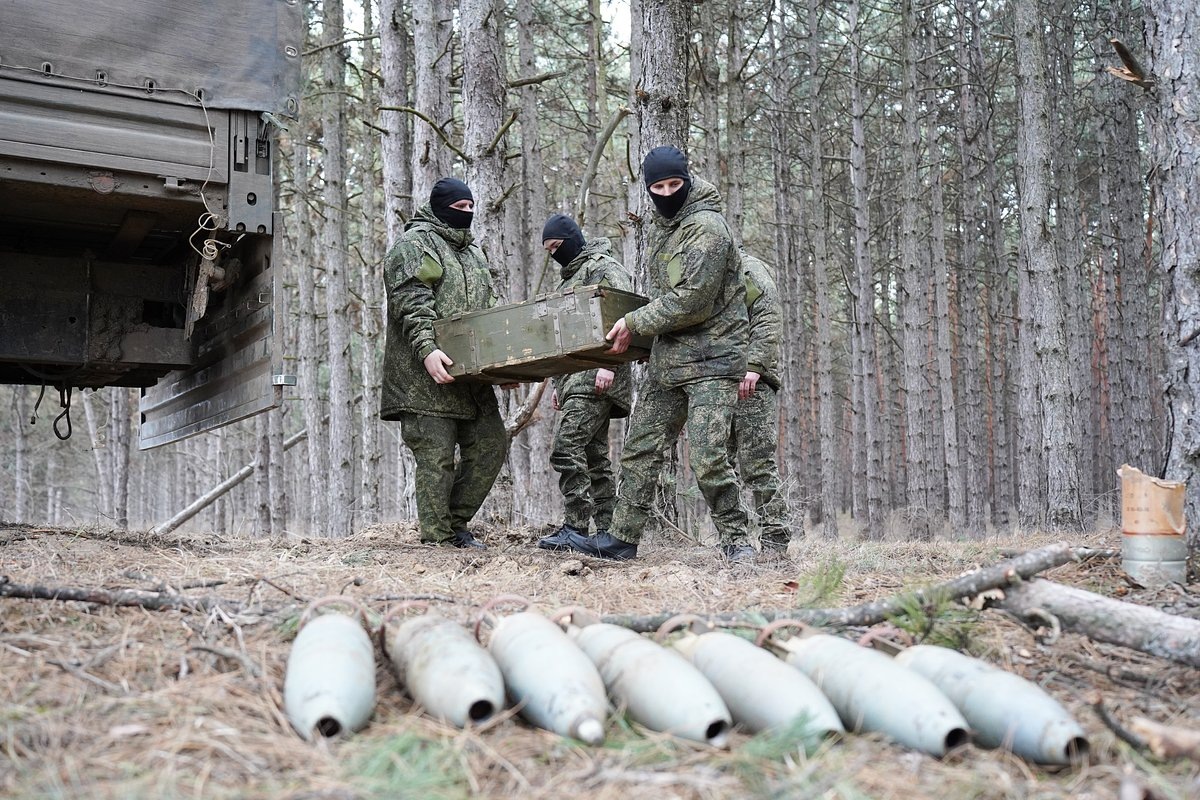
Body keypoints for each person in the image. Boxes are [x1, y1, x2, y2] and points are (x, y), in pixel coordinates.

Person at [563, 145, 753, 563]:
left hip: (713, 361)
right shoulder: (665, 227)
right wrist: (647, 341)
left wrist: (634, 325)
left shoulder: (707, 228)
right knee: (641, 448)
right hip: (670, 360)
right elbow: (668, 296)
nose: (667, 193)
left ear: (688, 180)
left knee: (708, 458)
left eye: (675, 184)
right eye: (658, 187)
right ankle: (621, 538)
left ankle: (737, 542)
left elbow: (693, 300)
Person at [380, 177, 507, 549]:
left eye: (471, 208)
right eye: (459, 208)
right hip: (423, 378)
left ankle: (454, 525)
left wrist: (502, 366)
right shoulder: (415, 245)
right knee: (436, 459)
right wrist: (427, 349)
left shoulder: (473, 254)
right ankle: (437, 542)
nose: (467, 214)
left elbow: (487, 315)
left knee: (491, 445)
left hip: (472, 378)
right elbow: (411, 303)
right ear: (439, 207)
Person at [536, 214, 634, 551]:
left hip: (598, 375)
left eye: (557, 247)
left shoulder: (605, 268)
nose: (554, 255)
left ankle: (575, 527)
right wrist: (556, 384)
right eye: (549, 250)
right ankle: (608, 531)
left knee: (566, 448)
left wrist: (610, 363)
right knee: (594, 457)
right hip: (575, 379)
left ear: (573, 239)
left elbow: (625, 319)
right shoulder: (570, 278)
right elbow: (564, 337)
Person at [733, 251, 792, 551]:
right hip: (720, 382)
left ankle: (775, 539)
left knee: (757, 463)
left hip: (751, 383)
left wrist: (753, 367)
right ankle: (734, 540)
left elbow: (768, 317)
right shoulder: (710, 269)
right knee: (721, 464)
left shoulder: (748, 268)